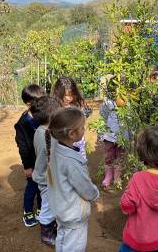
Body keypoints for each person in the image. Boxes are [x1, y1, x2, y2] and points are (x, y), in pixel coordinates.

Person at [46, 107, 99, 252]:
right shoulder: (72, 162)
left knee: (62, 237)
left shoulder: (55, 147)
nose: (84, 129)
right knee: (75, 246)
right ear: (71, 134)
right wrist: (95, 194)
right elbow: (85, 188)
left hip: (61, 209)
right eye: (82, 127)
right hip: (73, 214)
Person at [14, 84, 45, 227]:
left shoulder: (42, 117)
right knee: (32, 188)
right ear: (28, 104)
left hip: (43, 161)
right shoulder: (22, 124)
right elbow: (23, 148)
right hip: (32, 163)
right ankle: (28, 211)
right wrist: (27, 166)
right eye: (38, 101)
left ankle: (40, 209)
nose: (42, 104)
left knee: (42, 187)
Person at [31, 96, 61, 245]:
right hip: (47, 179)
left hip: (44, 177)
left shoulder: (40, 131)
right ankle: (46, 234)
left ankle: (50, 228)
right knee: (47, 208)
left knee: (50, 205)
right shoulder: (47, 136)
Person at [51, 76, 91, 159]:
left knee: (81, 163)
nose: (70, 98)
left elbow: (83, 116)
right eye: (66, 95)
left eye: (72, 95)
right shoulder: (56, 110)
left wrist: (86, 111)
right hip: (63, 147)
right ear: (58, 93)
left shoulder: (76, 105)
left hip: (78, 143)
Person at [99, 76, 126, 189]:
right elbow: (102, 118)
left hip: (122, 137)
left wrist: (131, 134)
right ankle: (108, 176)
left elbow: (130, 119)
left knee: (120, 157)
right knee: (109, 157)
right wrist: (100, 133)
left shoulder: (127, 103)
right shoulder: (107, 103)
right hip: (109, 136)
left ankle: (117, 177)